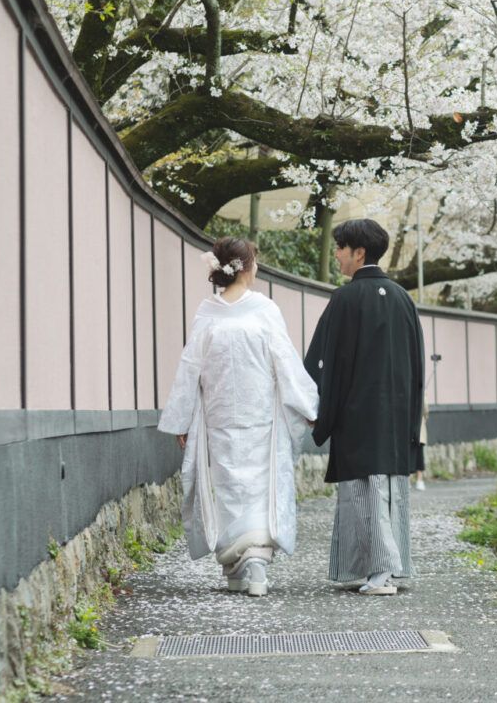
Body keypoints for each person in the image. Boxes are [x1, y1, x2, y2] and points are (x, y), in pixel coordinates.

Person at [158, 238, 318, 597]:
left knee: (228, 485)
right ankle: (255, 563)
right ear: (246, 267)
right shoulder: (264, 309)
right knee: (260, 486)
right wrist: (308, 406)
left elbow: (190, 367)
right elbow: (285, 361)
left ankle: (234, 564)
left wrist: (181, 419)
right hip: (259, 413)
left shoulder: (208, 312)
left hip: (220, 416)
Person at [305, 218, 426, 595]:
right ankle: (387, 567)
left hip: (358, 412)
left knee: (365, 490)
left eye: (341, 248)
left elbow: (323, 361)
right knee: (388, 488)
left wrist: (317, 409)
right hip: (398, 411)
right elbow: (417, 363)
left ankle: (380, 573)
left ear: (359, 253)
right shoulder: (404, 298)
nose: (338, 255)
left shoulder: (345, 299)